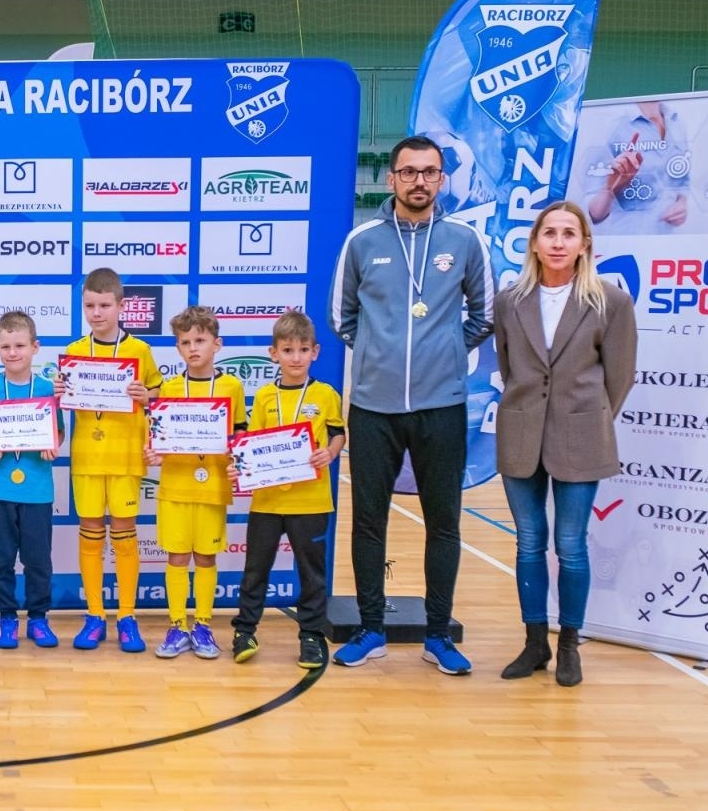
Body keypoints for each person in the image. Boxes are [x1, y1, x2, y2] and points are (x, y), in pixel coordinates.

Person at [329, 134, 494, 675]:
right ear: (391, 178)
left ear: (441, 179)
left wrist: (445, 352)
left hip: (442, 404)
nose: (418, 180)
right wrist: (381, 355)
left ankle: (439, 634)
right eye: (408, 171)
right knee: (369, 523)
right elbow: (342, 317)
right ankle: (372, 628)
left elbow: (484, 315)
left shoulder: (465, 240)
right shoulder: (362, 241)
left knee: (443, 522)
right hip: (374, 407)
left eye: (429, 172)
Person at [493, 201, 636, 687]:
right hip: (520, 433)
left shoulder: (611, 302)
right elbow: (509, 367)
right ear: (534, 242)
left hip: (581, 436)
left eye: (568, 234)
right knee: (529, 541)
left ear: (584, 245)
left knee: (570, 544)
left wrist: (587, 418)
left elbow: (620, 376)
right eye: (549, 232)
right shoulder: (510, 299)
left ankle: (570, 643)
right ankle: (535, 642)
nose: (558, 242)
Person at [229, 312, 345, 670]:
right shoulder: (264, 396)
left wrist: (331, 450)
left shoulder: (326, 394)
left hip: (311, 500)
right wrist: (241, 465)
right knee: (255, 568)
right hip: (267, 501)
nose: (296, 357)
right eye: (288, 349)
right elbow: (249, 444)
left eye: (303, 349)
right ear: (273, 353)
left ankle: (311, 634)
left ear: (316, 352)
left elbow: (338, 432)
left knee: (312, 572)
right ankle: (245, 629)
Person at [64, 268, 162, 652]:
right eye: (90, 305)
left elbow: (156, 390)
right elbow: (62, 399)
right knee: (90, 533)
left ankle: (126, 615)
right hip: (88, 456)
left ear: (122, 307)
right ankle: (93, 615)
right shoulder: (74, 352)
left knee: (123, 535)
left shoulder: (139, 351)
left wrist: (145, 394)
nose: (97, 312)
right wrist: (60, 390)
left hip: (125, 456)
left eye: (105, 305)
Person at [144, 307, 246, 661]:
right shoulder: (170, 388)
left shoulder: (232, 386)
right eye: (185, 342)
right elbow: (157, 436)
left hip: (212, 485)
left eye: (200, 340)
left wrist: (241, 458)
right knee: (176, 556)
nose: (193, 348)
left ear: (217, 344)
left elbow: (240, 434)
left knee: (205, 556)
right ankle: (176, 625)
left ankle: (202, 623)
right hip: (175, 486)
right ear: (177, 347)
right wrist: (154, 452)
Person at [0, 311, 61, 650]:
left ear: (35, 347)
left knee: (39, 559)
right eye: (5, 346)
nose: (13, 352)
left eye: (20, 345)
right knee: (0, 558)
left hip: (37, 489)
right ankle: (6, 617)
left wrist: (53, 445)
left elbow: (59, 433)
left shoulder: (49, 389)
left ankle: (38, 617)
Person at [584, 101, 690, 233]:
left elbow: (682, 181)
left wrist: (682, 202)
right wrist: (611, 188)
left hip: (666, 240)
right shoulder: (612, 124)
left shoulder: (676, 122)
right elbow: (594, 214)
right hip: (625, 241)